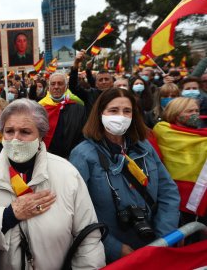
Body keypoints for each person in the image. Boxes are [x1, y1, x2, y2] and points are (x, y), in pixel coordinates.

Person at [0, 99, 105, 269]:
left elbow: (88, 237)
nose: (15, 139)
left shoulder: (67, 173)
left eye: (25, 132)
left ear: (40, 136)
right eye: (9, 131)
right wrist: (8, 216)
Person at [69, 88, 180, 263]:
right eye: (113, 110)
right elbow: (76, 211)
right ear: (100, 114)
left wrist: (163, 238)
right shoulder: (83, 155)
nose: (120, 116)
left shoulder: (144, 148)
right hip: (110, 253)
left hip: (154, 243)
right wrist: (113, 247)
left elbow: (169, 192)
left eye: (126, 111)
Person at [153, 97, 207, 238]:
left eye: (197, 110)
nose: (195, 114)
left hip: (197, 194)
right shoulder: (162, 132)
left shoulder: (202, 136)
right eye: (189, 111)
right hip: (171, 196)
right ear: (176, 113)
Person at [39, 72, 87, 159]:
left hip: (73, 157)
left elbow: (84, 134)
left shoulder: (79, 109)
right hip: (47, 157)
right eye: (53, 84)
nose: (56, 87)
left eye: (60, 84)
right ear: (49, 88)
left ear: (66, 87)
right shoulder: (40, 109)